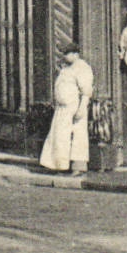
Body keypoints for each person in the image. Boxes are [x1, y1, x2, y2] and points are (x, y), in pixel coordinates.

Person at [40, 42, 93, 176]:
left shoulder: (82, 67)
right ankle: (61, 165)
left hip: (74, 107)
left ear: (75, 54)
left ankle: (78, 167)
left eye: (67, 53)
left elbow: (86, 90)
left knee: (77, 136)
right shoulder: (67, 68)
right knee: (61, 137)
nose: (64, 56)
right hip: (62, 109)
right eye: (64, 53)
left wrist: (82, 107)